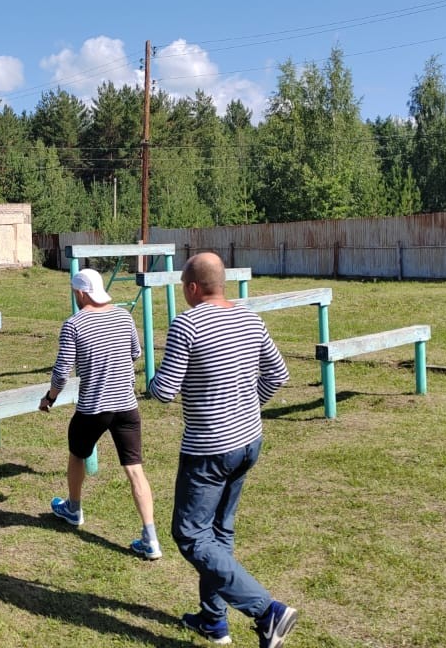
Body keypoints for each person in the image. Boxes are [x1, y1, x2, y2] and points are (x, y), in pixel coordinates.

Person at [148, 252, 298, 648]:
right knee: (218, 533)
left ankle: (267, 611)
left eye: (184, 287)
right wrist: (246, 405)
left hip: (209, 450)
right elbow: (278, 374)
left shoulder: (187, 323)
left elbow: (164, 391)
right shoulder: (250, 317)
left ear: (193, 288)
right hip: (249, 441)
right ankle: (214, 621)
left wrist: (150, 381)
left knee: (190, 536)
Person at [41, 268, 161, 560]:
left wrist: (49, 398)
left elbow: (61, 373)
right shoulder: (124, 316)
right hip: (127, 406)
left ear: (82, 293)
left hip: (93, 408)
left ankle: (73, 508)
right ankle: (151, 538)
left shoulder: (74, 324)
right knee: (135, 469)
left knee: (77, 454)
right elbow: (135, 353)